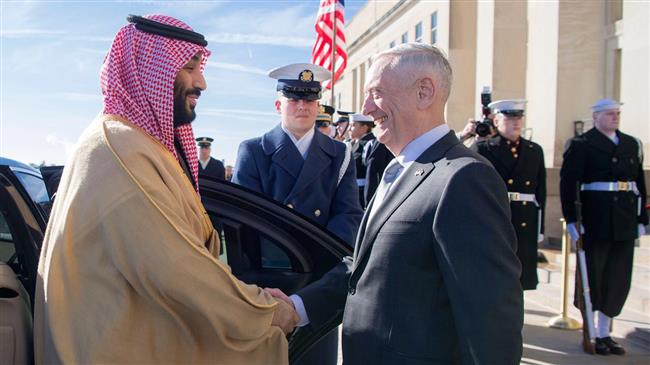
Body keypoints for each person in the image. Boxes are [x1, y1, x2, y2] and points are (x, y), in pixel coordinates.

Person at [34, 15, 296, 365]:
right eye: (189, 67)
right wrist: (266, 312)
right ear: (149, 68)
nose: (201, 81)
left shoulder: (132, 143)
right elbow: (177, 271)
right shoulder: (119, 151)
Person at [270, 43, 524, 364]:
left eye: (375, 93)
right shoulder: (396, 168)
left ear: (424, 92)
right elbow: (365, 265)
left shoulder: (464, 178)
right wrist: (298, 307)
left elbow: (490, 317)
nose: (365, 108)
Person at [232, 62, 363, 365]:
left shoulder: (339, 154)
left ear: (318, 105)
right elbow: (244, 223)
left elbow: (349, 216)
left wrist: (317, 272)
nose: (302, 106)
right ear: (279, 104)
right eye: (294, 99)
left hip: (316, 289)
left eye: (310, 99)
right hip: (268, 289)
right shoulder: (253, 151)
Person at [560, 98, 648, 356]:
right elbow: (569, 184)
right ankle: (592, 333)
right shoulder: (581, 145)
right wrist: (573, 220)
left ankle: (606, 332)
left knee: (617, 279)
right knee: (594, 278)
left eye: (617, 113)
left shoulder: (631, 144)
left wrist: (643, 219)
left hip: (623, 220)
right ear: (596, 117)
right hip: (595, 220)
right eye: (610, 114)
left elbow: (640, 184)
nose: (615, 117)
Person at [473, 99, 546, 290]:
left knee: (521, 275)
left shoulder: (534, 150)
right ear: (496, 121)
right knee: (496, 276)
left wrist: (541, 227)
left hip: (525, 218)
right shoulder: (484, 149)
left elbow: (541, 193)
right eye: (509, 118)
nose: (516, 122)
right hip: (497, 217)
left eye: (519, 117)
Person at [348, 113, 376, 207]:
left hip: (361, 194)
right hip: (353, 192)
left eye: (353, 125)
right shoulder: (354, 144)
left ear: (364, 127)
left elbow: (372, 175)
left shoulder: (370, 144)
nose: (349, 129)